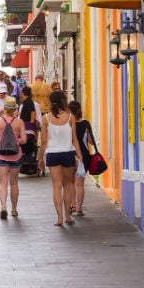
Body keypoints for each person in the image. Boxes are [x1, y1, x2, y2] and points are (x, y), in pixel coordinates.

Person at [38, 90, 82, 226]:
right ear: (63, 100)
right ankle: (68, 216)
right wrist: (80, 156)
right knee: (68, 185)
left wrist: (40, 158)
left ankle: (59, 218)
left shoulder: (45, 118)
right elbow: (74, 139)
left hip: (52, 154)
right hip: (68, 153)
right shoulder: (70, 117)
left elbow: (44, 141)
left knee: (56, 186)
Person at [0, 97, 28, 219]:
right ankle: (14, 209)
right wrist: (16, 140)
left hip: (0, 155)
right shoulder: (19, 122)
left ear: (5, 108)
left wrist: (0, 141)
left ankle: (3, 206)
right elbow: (24, 140)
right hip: (15, 155)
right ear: (14, 109)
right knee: (14, 183)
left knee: (3, 183)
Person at [69, 100, 92, 216]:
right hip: (83, 157)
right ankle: (79, 209)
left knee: (70, 182)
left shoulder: (67, 124)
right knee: (80, 184)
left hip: (69, 155)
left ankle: (72, 205)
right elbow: (91, 141)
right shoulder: (85, 124)